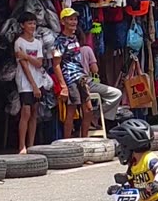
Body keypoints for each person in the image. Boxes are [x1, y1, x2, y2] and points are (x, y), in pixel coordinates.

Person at [108, 119, 158, 201]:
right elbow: (132, 186)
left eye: (123, 145)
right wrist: (119, 189)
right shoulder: (133, 166)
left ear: (130, 145)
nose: (120, 149)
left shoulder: (148, 158)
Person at [52, 8, 93, 138]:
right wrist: (63, 85)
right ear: (63, 22)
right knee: (72, 110)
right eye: (70, 19)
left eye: (75, 19)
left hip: (80, 76)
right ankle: (67, 143)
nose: (74, 22)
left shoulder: (75, 37)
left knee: (88, 109)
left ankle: (85, 139)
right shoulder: (59, 41)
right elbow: (56, 64)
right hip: (70, 78)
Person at [76, 27, 122, 131]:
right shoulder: (86, 49)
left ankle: (93, 118)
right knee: (116, 94)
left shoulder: (67, 50)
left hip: (73, 85)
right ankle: (96, 116)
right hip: (87, 84)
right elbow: (95, 69)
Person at [15, 12, 44, 154]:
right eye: (29, 23)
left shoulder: (38, 43)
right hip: (25, 82)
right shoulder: (19, 43)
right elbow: (24, 66)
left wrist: (26, 56)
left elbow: (39, 63)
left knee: (34, 113)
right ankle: (22, 145)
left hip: (38, 80)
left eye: (34, 23)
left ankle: (31, 144)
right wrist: (33, 85)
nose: (32, 26)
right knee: (25, 113)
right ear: (22, 25)